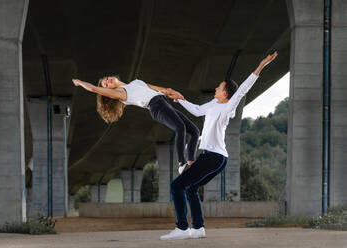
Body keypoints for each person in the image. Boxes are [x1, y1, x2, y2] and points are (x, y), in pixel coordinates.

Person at [160, 51, 278, 240]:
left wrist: (261, 65)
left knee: (177, 186)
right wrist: (178, 98)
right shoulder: (214, 103)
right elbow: (197, 111)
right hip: (214, 157)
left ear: (226, 93)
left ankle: (182, 228)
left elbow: (244, 89)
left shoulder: (227, 107)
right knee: (190, 188)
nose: (215, 88)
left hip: (214, 157)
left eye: (219, 87)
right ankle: (198, 228)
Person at [71, 76, 199, 171]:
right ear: (109, 90)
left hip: (164, 103)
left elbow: (160, 89)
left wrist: (173, 93)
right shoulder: (120, 93)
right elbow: (94, 88)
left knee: (194, 131)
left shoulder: (137, 82)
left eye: (106, 79)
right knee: (180, 127)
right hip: (156, 107)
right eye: (105, 84)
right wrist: (80, 83)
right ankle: (181, 164)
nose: (107, 81)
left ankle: (191, 162)